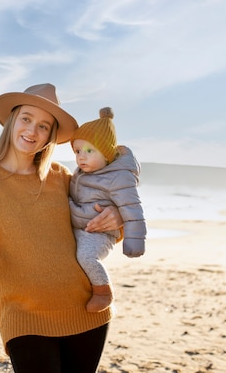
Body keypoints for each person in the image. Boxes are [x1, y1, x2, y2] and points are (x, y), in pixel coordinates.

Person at [0, 84, 124, 373]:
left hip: (86, 310)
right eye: (26, 118)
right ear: (13, 120)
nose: (33, 130)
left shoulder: (62, 177)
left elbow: (97, 214)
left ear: (50, 135)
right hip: (23, 317)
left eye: (43, 125)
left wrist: (116, 218)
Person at [69, 107, 147, 314]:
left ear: (106, 152)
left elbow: (132, 209)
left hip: (100, 233)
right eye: (77, 151)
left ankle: (103, 291)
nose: (81, 157)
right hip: (82, 226)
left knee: (86, 257)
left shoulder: (119, 177)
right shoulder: (82, 174)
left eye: (88, 150)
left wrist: (134, 242)